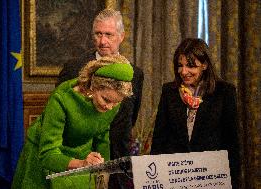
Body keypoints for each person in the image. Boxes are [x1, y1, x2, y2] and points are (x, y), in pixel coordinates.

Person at [12, 55, 134, 189]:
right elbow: (47, 155)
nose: (110, 107)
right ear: (93, 85)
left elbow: (101, 135)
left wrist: (102, 175)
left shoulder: (112, 100)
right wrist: (82, 164)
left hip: (82, 159)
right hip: (44, 159)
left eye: (116, 102)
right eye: (106, 100)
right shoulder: (62, 98)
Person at [58, 9, 144, 188]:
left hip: (118, 164)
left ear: (121, 36)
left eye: (109, 35)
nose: (103, 41)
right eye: (98, 34)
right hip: (82, 161)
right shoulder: (73, 68)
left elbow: (130, 117)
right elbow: (60, 116)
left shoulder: (135, 74)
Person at [150, 38, 240, 189]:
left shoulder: (224, 92)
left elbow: (232, 143)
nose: (183, 72)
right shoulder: (169, 91)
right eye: (180, 66)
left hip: (210, 176)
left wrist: (234, 183)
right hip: (175, 176)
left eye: (190, 66)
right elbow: (159, 140)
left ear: (204, 65)